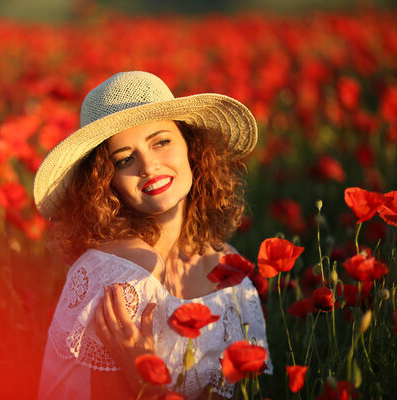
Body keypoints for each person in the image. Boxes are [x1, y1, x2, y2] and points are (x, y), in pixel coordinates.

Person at [34, 71, 271, 400]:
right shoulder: (116, 273)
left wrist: (143, 375)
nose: (147, 165)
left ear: (191, 146)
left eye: (161, 141)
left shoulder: (228, 271)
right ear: (106, 181)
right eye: (125, 159)